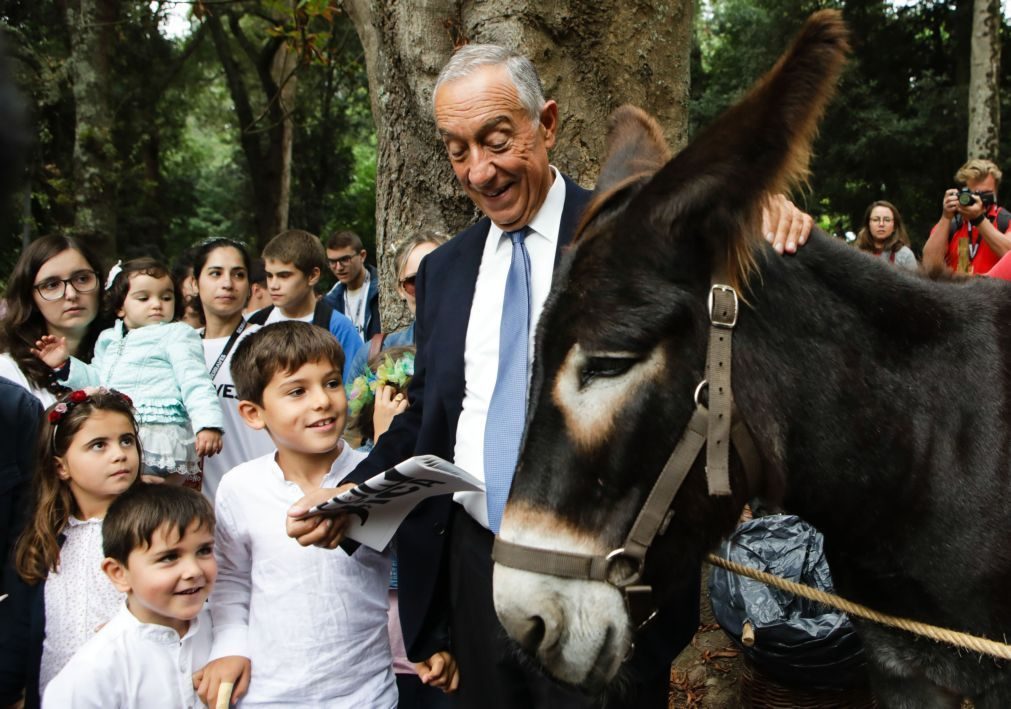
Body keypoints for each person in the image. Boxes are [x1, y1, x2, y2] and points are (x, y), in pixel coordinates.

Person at [286, 44, 812, 708]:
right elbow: (427, 417)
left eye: (497, 140)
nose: (479, 170)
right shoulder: (445, 272)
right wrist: (351, 494)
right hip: (478, 570)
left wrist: (765, 214)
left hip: (601, 571)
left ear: (548, 124)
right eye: (456, 150)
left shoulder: (630, 236)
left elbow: (729, 290)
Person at [200, 322, 429, 707]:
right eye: (297, 391)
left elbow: (420, 568)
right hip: (268, 694)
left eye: (332, 383)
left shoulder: (377, 478)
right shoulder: (240, 487)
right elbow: (232, 580)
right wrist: (229, 647)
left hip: (367, 695)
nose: (322, 401)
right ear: (253, 413)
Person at [0, 389, 139, 708]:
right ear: (61, 466)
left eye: (126, 440)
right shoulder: (42, 539)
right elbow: (18, 633)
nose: (119, 454)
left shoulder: (155, 526)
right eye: (98, 445)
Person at [32, 258, 224, 484]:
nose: (157, 304)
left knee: (149, 495)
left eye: (166, 297)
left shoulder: (177, 333)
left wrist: (208, 424)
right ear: (120, 307)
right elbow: (96, 380)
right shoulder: (108, 338)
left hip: (158, 432)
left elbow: (195, 380)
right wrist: (64, 364)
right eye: (143, 298)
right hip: (119, 432)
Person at [42, 484, 217, 709]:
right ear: (119, 573)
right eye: (169, 557)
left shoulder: (226, 631)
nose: (194, 571)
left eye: (204, 551)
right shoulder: (92, 672)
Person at [192, 238, 274, 501]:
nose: (227, 283)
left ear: (250, 287)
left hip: (254, 497)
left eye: (238, 275)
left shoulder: (266, 344)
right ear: (195, 283)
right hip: (191, 505)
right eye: (215, 273)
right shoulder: (179, 346)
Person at [0, 235, 106, 407]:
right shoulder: (8, 373)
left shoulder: (128, 355)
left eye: (82, 279)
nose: (71, 294)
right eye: (51, 285)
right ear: (31, 298)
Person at [246, 229, 364, 382]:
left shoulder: (337, 327)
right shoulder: (256, 323)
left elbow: (356, 393)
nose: (273, 285)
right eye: (269, 275)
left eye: (284, 275)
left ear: (313, 276)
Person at [345, 232, 448, 382]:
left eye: (438, 277)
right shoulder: (372, 354)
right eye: (415, 281)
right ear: (400, 289)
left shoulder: (483, 346)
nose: (428, 289)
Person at [923, 158, 1011, 275]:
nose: (979, 199)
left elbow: (1008, 253)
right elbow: (929, 264)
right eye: (974, 194)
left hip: (995, 292)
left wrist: (978, 220)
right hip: (958, 292)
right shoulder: (953, 224)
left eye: (985, 194)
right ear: (962, 192)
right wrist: (946, 217)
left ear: (996, 192)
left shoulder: (1005, 220)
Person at [324, 230, 382, 340]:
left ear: (362, 256)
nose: (339, 267)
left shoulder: (382, 290)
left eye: (345, 259)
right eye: (332, 262)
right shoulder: (329, 301)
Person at [855, 200, 917, 271]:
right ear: (868, 225)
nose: (881, 224)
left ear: (895, 226)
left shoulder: (905, 255)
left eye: (887, 220)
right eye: (876, 220)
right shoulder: (856, 253)